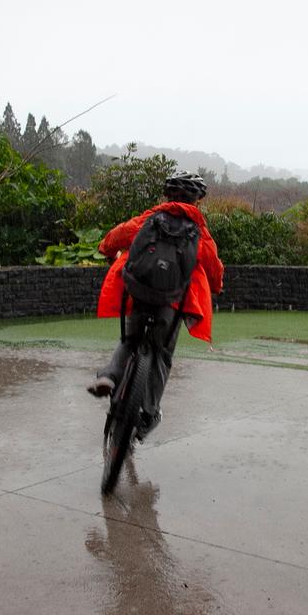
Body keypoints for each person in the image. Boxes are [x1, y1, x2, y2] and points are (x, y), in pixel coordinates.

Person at [88, 171, 224, 434]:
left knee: (129, 340)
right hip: (171, 304)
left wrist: (106, 249)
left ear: (168, 195)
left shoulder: (152, 219)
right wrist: (217, 287)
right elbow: (214, 270)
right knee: (162, 356)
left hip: (140, 293)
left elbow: (118, 235)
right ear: (197, 200)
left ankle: (109, 377)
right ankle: (147, 413)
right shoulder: (199, 232)